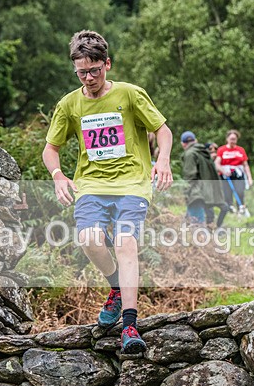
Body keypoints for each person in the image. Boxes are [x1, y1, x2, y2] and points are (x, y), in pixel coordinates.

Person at [42, 30, 173, 354]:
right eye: (81, 72)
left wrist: (163, 160)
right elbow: (51, 148)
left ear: (107, 64)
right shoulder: (70, 104)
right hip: (91, 185)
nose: (88, 78)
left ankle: (129, 325)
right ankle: (116, 286)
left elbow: (162, 130)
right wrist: (58, 176)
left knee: (125, 242)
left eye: (94, 71)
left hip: (131, 183)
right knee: (88, 239)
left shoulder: (130, 95)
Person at [181, 132, 223, 225]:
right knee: (192, 222)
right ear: (195, 140)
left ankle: (202, 238)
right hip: (208, 192)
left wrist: (186, 192)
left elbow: (190, 175)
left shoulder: (190, 154)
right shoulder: (204, 152)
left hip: (196, 193)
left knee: (197, 225)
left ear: (183, 144)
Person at [215, 129, 253, 222]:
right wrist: (223, 171)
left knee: (240, 191)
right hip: (226, 175)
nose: (233, 141)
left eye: (235, 139)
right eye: (231, 139)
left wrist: (249, 177)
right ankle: (230, 211)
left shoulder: (240, 150)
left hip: (238, 174)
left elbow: (245, 165)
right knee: (227, 194)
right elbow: (217, 163)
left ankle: (241, 208)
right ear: (227, 139)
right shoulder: (221, 150)